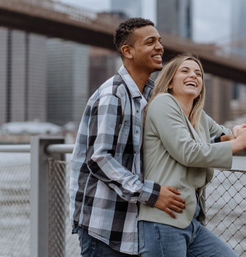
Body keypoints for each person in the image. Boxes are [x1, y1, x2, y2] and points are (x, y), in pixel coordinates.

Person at [69, 18, 186, 257]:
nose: (160, 47)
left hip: (134, 227)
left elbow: (183, 133)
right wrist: (152, 194)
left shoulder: (154, 94)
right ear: (128, 51)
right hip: (103, 229)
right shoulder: (112, 95)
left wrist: (224, 138)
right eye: (150, 42)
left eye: (160, 41)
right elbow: (99, 159)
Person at [138, 55, 246, 257]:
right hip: (163, 221)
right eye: (185, 71)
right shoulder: (163, 103)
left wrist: (239, 130)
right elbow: (188, 152)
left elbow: (223, 133)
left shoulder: (198, 115)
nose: (193, 76)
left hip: (190, 222)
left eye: (198, 74)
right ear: (169, 82)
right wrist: (239, 142)